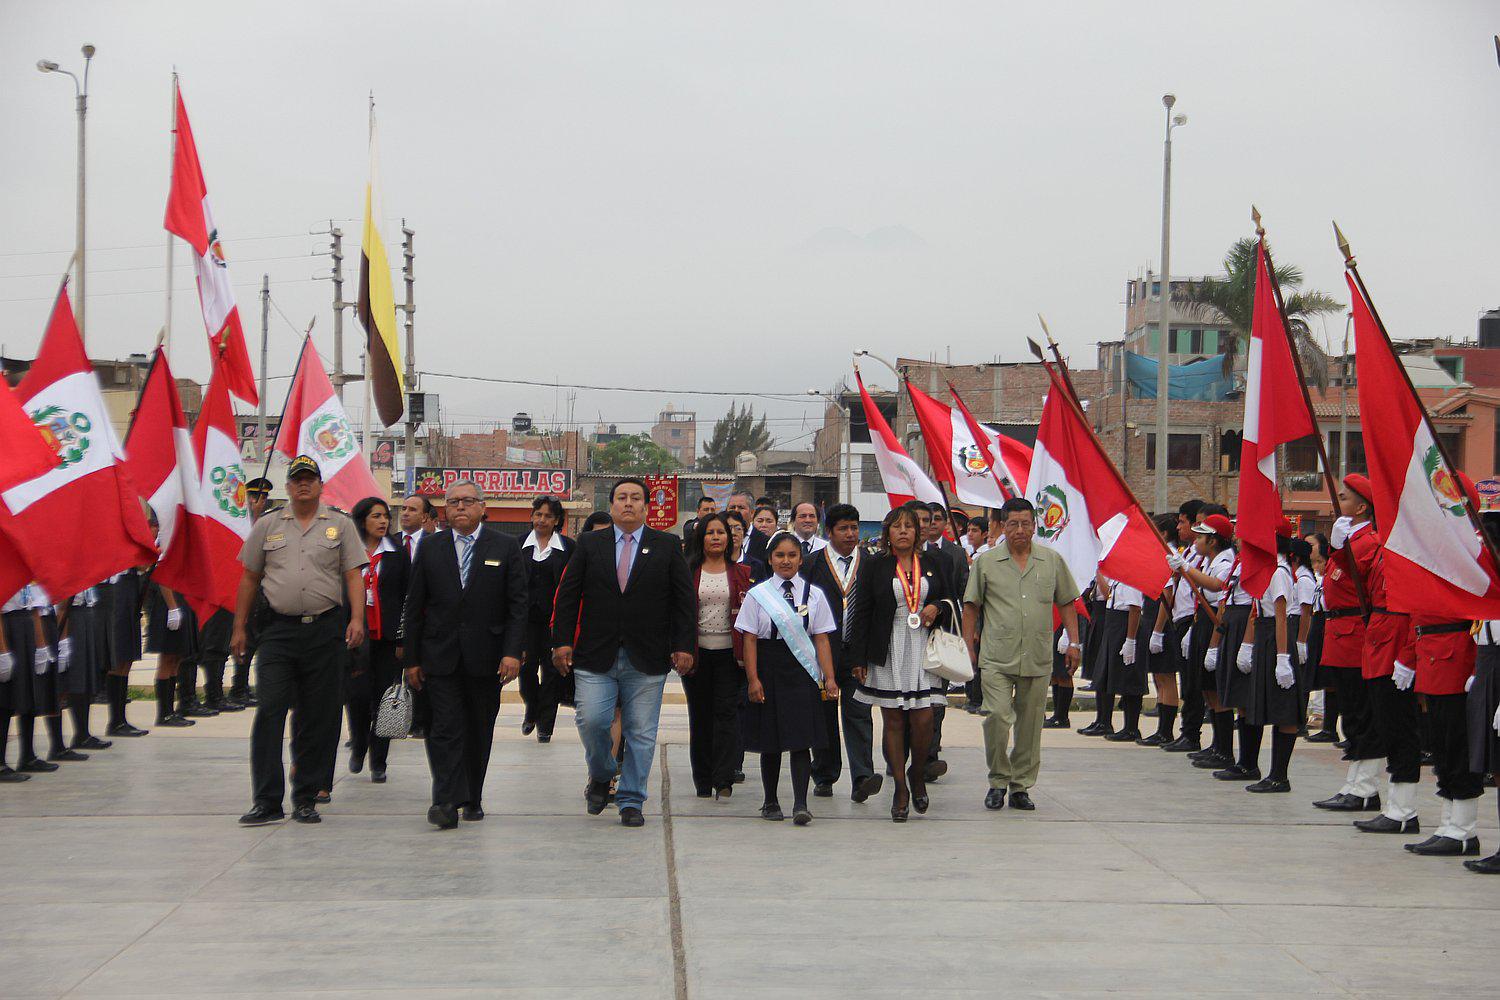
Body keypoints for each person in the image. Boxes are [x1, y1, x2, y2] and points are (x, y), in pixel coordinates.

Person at [551, 477, 695, 828]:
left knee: (641, 732)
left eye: (635, 498)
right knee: (592, 720)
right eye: (621, 498)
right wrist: (562, 641)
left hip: (647, 657)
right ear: (611, 504)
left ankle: (632, 800)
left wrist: (683, 645)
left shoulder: (666, 545)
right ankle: (601, 773)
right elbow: (568, 595)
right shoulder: (589, 543)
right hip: (595, 654)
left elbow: (682, 600)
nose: (628, 503)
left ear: (646, 506)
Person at [232, 455, 367, 826]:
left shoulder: (339, 525)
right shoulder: (267, 525)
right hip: (278, 631)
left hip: (325, 630)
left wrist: (357, 619)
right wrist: (239, 627)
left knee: (317, 716)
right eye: (296, 480)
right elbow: (248, 578)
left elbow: (354, 576)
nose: (303, 485)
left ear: (320, 485)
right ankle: (266, 800)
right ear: (288, 487)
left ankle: (305, 796)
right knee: (270, 711)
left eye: (310, 479)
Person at [403, 479, 526, 829]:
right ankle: (444, 800)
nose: (460, 507)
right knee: (444, 728)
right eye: (453, 502)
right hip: (439, 656)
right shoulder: (431, 547)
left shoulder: (505, 546)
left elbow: (517, 605)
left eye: (468, 501)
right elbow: (415, 607)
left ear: (482, 507)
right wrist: (411, 659)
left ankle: (472, 795)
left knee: (477, 728)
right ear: (445, 509)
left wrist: (512, 652)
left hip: (487, 657)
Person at [964, 497, 1082, 812]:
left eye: (1025, 523)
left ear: (1034, 526)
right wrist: (968, 645)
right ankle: (998, 780)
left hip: (1037, 656)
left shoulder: (1051, 560)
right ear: (1003, 526)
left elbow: (1067, 602)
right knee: (998, 718)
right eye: (1013, 524)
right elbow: (971, 605)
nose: (1020, 530)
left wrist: (1074, 642)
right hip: (996, 657)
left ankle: (1020, 786)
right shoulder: (986, 562)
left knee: (1030, 726)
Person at [848, 505, 952, 821]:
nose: (904, 531)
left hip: (924, 646)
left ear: (918, 532)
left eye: (909, 526)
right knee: (893, 719)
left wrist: (936, 607)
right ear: (887, 533)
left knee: (923, 719)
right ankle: (901, 789)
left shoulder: (935, 562)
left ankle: (917, 774)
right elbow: (862, 612)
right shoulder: (875, 565)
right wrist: (858, 658)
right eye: (897, 526)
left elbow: (950, 599)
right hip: (888, 645)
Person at [736, 532, 840, 825]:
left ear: (800, 559)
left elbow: (821, 639)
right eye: (779, 555)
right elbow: (750, 639)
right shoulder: (758, 595)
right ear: (770, 559)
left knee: (800, 738)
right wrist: (753, 679)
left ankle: (801, 804)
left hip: (802, 671)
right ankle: (770, 801)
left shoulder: (814, 594)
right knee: (770, 739)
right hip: (768, 666)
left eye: (792, 555)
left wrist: (829, 678)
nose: (786, 561)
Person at [801, 503, 881, 803]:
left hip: (857, 654)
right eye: (843, 529)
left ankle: (862, 777)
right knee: (823, 715)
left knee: (859, 713)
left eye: (854, 528)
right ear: (830, 531)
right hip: (823, 654)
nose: (850, 534)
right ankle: (824, 773)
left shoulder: (871, 563)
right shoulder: (812, 564)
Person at [1312, 475, 1382, 812]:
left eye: (1344, 497)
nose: (1338, 501)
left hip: (1355, 633)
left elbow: (1358, 579)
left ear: (1362, 506)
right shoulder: (1350, 539)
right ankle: (1355, 783)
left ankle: (1364, 786)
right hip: (1338, 633)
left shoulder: (1367, 541)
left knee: (1360, 713)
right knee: (1350, 713)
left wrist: (1341, 551)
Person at [685, 512, 752, 798]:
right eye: (710, 533)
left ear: (729, 538)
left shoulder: (742, 573)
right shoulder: (688, 571)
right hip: (696, 656)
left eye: (720, 532)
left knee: (727, 716)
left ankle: (723, 779)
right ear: (701, 538)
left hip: (730, 656)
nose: (715, 537)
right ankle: (702, 779)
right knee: (700, 718)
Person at [1233, 527, 1303, 792]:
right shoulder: (1268, 572)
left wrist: (1283, 658)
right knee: (1270, 706)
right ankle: (1270, 772)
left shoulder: (1278, 573)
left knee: (1283, 709)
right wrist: (1247, 646)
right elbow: (1257, 611)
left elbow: (1281, 616)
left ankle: (1279, 776)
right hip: (1266, 636)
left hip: (1277, 639)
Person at [346, 496, 409, 783]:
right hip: (356, 638)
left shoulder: (397, 553)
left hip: (387, 637)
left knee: (384, 700)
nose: (383, 521)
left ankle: (379, 760)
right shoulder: (348, 552)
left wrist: (403, 639)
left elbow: (407, 596)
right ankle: (359, 745)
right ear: (362, 520)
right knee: (356, 697)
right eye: (376, 516)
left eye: (385, 516)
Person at [520, 495, 574, 743]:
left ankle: (545, 725)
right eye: (538, 514)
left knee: (552, 673)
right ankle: (532, 707)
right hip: (525, 622)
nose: (542, 520)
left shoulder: (569, 548)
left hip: (556, 621)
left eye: (548, 516)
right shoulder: (518, 545)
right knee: (526, 669)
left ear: (556, 521)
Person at [104, 566, 148, 738]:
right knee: (119, 654)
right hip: (118, 583)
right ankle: (115, 721)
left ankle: (121, 719)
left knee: (127, 657)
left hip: (132, 582)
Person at [145, 584, 197, 728]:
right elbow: (164, 580)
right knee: (167, 658)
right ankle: (164, 713)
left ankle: (170, 711)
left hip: (183, 598)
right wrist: (172, 607)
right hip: (170, 603)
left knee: (177, 657)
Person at [725, 510, 769, 584]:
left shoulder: (757, 566)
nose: (733, 533)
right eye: (728, 529)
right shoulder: (712, 564)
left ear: (744, 533)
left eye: (738, 528)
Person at [729, 492, 770, 563]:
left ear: (752, 512)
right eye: (732, 507)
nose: (736, 511)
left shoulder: (766, 542)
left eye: (741, 507)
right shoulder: (721, 539)